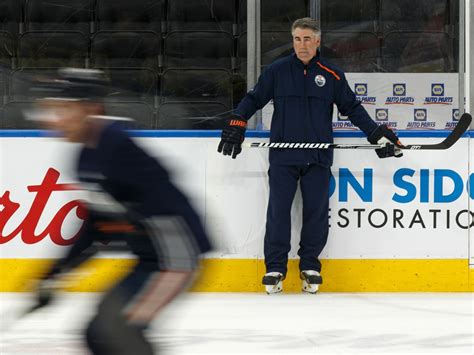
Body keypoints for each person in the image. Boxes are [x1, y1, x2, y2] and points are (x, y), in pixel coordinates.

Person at [31, 68, 212, 354]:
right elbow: (96, 226)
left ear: (91, 109)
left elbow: (159, 203)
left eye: (64, 108)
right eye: (53, 109)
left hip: (175, 260)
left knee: (118, 330)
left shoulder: (115, 145)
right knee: (96, 334)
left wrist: (132, 220)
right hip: (150, 260)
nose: (55, 119)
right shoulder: (86, 156)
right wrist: (55, 273)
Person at [218, 18, 402, 294]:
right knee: (278, 212)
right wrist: (237, 121)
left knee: (316, 212)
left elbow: (352, 108)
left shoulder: (332, 74)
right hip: (283, 156)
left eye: (307, 39)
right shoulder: (277, 71)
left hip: (318, 156)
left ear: (318, 41)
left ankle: (310, 264)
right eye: (296, 39)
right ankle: (275, 267)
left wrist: (376, 134)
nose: (301, 45)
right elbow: (254, 99)